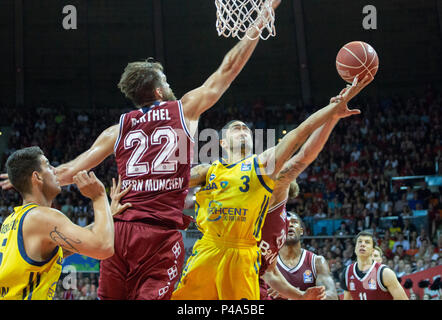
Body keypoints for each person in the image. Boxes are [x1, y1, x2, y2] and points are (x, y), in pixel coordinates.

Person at [0, 0, 283, 300]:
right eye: (166, 81)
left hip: (120, 231)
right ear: (160, 91)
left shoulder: (117, 129)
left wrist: (27, 179)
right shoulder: (184, 110)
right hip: (158, 236)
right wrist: (262, 17)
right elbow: (229, 68)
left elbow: (71, 171)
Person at [171, 74, 372, 300]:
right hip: (209, 249)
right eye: (236, 129)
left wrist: (331, 111)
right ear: (223, 142)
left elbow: (300, 139)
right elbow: (168, 182)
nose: (243, 131)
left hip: (243, 255)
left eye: (246, 129)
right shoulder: (208, 170)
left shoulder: (263, 167)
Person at [258, 92, 358, 300]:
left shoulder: (278, 218)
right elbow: (303, 156)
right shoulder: (264, 197)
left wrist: (295, 295)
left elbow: (270, 274)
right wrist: (330, 116)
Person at [0, 146, 114, 300]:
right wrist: (99, 197)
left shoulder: (12, 219)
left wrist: (110, 214)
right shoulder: (42, 217)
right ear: (37, 177)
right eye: (48, 165)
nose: (55, 169)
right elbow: (103, 247)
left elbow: (67, 247)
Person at [267, 211, 339, 300]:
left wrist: (291, 294)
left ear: (301, 231)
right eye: (285, 222)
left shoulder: (317, 261)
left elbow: (333, 296)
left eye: (294, 222)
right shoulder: (268, 260)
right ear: (279, 230)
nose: (290, 225)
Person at [342, 231, 409, 300]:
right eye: (359, 242)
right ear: (355, 248)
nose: (362, 244)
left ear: (372, 250)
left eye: (367, 242)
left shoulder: (385, 273)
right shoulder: (347, 272)